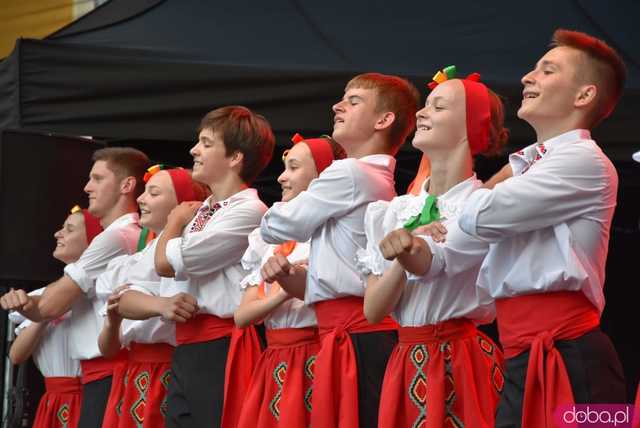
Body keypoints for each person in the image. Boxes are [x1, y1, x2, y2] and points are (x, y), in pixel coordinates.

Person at [453, 29, 627, 427]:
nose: (527, 78)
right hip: (523, 350)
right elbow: (467, 228)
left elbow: (476, 218)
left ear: (584, 96)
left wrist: (467, 197)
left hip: (574, 356)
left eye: (547, 70)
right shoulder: (534, 165)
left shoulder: (584, 160)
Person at [260, 73, 420, 428]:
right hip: (352, 331)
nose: (338, 105)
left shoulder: (348, 172)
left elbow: (281, 226)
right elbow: (339, 274)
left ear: (383, 120)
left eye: (354, 100)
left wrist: (274, 215)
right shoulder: (375, 177)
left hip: (357, 337)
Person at [358, 67, 508, 427]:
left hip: (462, 357)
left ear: (470, 126)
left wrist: (410, 246)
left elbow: (432, 262)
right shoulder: (393, 211)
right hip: (406, 356)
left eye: (438, 107)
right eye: (425, 106)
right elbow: (374, 311)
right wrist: (399, 257)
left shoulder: (480, 206)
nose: (422, 113)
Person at [1, 147, 149, 428]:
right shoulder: (132, 233)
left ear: (126, 185)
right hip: (107, 373)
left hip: (108, 374)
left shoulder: (115, 237)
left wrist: (28, 304)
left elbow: (49, 306)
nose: (86, 186)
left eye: (97, 178)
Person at [151, 106, 275, 428]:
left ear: (235, 158)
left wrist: (173, 222)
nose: (194, 150)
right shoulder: (205, 209)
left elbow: (165, 263)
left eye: (206, 143)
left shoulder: (248, 210)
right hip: (188, 344)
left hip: (221, 345)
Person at [235, 134, 346, 427]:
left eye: (294, 168)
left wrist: (291, 282)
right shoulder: (267, 239)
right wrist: (284, 291)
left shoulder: (332, 234)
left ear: (323, 175)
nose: (282, 177)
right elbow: (243, 315)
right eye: (285, 168)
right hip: (274, 358)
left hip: (318, 354)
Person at [96, 166, 208, 428]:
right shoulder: (144, 253)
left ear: (181, 203)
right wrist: (117, 318)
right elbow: (110, 343)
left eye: (153, 193)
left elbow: (125, 300)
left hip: (167, 372)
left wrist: (156, 305)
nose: (141, 200)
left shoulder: (184, 249)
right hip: (134, 373)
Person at [7, 206, 101, 428]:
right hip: (53, 400)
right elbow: (16, 355)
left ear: (94, 241)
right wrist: (46, 313)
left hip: (91, 396)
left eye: (69, 229)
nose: (58, 234)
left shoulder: (100, 293)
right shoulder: (45, 296)